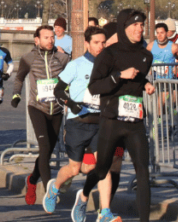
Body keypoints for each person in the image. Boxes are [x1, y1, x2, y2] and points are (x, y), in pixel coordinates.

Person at [70, 9, 156, 222]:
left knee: (143, 172)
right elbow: (95, 86)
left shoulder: (146, 55)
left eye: (142, 25)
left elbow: (138, 78)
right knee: (101, 170)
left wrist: (145, 84)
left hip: (134, 121)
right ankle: (83, 195)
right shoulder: (109, 53)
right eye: (135, 25)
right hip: (111, 121)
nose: (139, 29)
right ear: (123, 27)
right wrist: (119, 75)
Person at [46, 26, 118, 219]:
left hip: (100, 123)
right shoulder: (76, 65)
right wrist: (72, 104)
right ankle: (55, 187)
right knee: (75, 169)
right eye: (96, 43)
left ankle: (105, 212)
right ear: (87, 43)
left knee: (103, 167)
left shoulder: (110, 66)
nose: (101, 46)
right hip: (78, 122)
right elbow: (59, 91)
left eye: (103, 43)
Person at [11, 25, 69, 206]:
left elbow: (71, 78)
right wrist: (16, 95)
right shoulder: (28, 58)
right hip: (37, 108)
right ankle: (50, 191)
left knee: (48, 150)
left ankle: (32, 180)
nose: (50, 40)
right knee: (45, 146)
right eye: (46, 37)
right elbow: (20, 77)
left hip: (57, 110)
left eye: (52, 37)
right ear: (37, 40)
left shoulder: (63, 58)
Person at [148, 22, 178, 121]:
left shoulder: (174, 47)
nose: (159, 35)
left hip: (170, 78)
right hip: (157, 78)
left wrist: (177, 68)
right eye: (157, 33)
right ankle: (163, 123)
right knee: (161, 102)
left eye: (162, 32)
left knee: (168, 101)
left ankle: (163, 122)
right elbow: (145, 59)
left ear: (167, 33)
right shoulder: (151, 46)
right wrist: (149, 70)